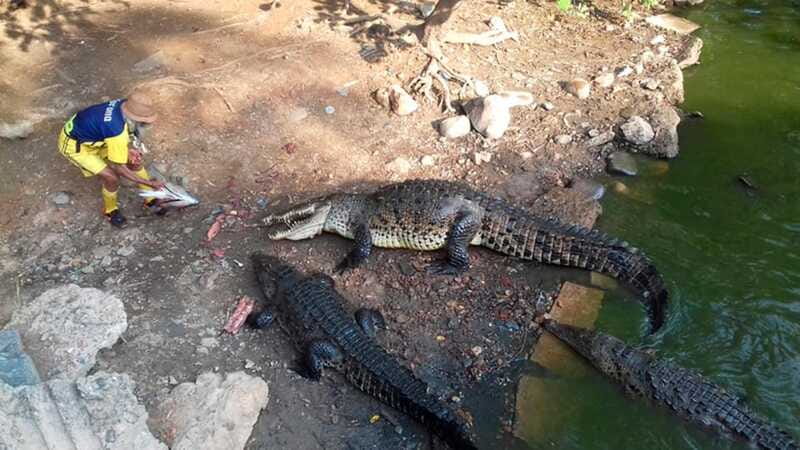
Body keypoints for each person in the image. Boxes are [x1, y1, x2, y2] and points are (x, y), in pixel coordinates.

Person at [58, 93, 165, 227]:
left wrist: (128, 151)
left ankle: (150, 198)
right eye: (145, 122)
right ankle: (110, 210)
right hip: (77, 146)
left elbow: (116, 132)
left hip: (96, 138)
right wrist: (148, 182)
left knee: (134, 161)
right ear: (136, 119)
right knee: (111, 177)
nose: (148, 124)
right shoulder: (116, 132)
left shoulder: (126, 105)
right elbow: (119, 167)